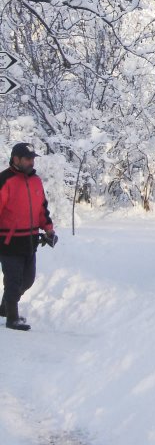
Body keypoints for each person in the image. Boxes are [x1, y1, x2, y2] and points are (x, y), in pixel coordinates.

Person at [0, 142, 57, 331]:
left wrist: (48, 230)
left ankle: (5, 307)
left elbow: (42, 209)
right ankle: (12, 318)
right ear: (16, 159)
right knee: (13, 280)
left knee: (28, 280)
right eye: (27, 158)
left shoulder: (36, 180)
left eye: (33, 159)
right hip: (9, 241)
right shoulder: (4, 180)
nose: (31, 162)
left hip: (30, 240)